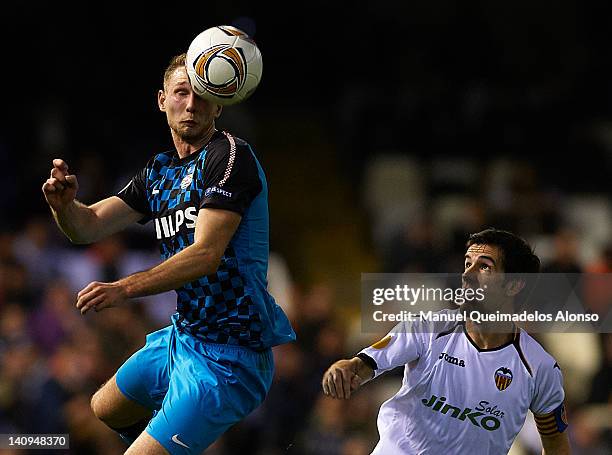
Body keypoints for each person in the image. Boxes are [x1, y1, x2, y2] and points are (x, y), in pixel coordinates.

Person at [42, 53, 296, 455]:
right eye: (181, 93)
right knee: (105, 408)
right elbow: (87, 226)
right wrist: (64, 207)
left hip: (232, 357)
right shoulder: (159, 174)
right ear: (162, 100)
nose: (191, 104)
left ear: (217, 104)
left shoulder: (230, 157)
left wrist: (123, 289)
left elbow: (205, 255)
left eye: (201, 95)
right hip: (184, 337)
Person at [322, 228, 571, 454]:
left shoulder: (539, 367)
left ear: (514, 285)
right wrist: (347, 368)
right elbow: (365, 364)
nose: (467, 275)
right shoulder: (426, 328)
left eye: (484, 267)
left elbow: (554, 440)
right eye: (467, 263)